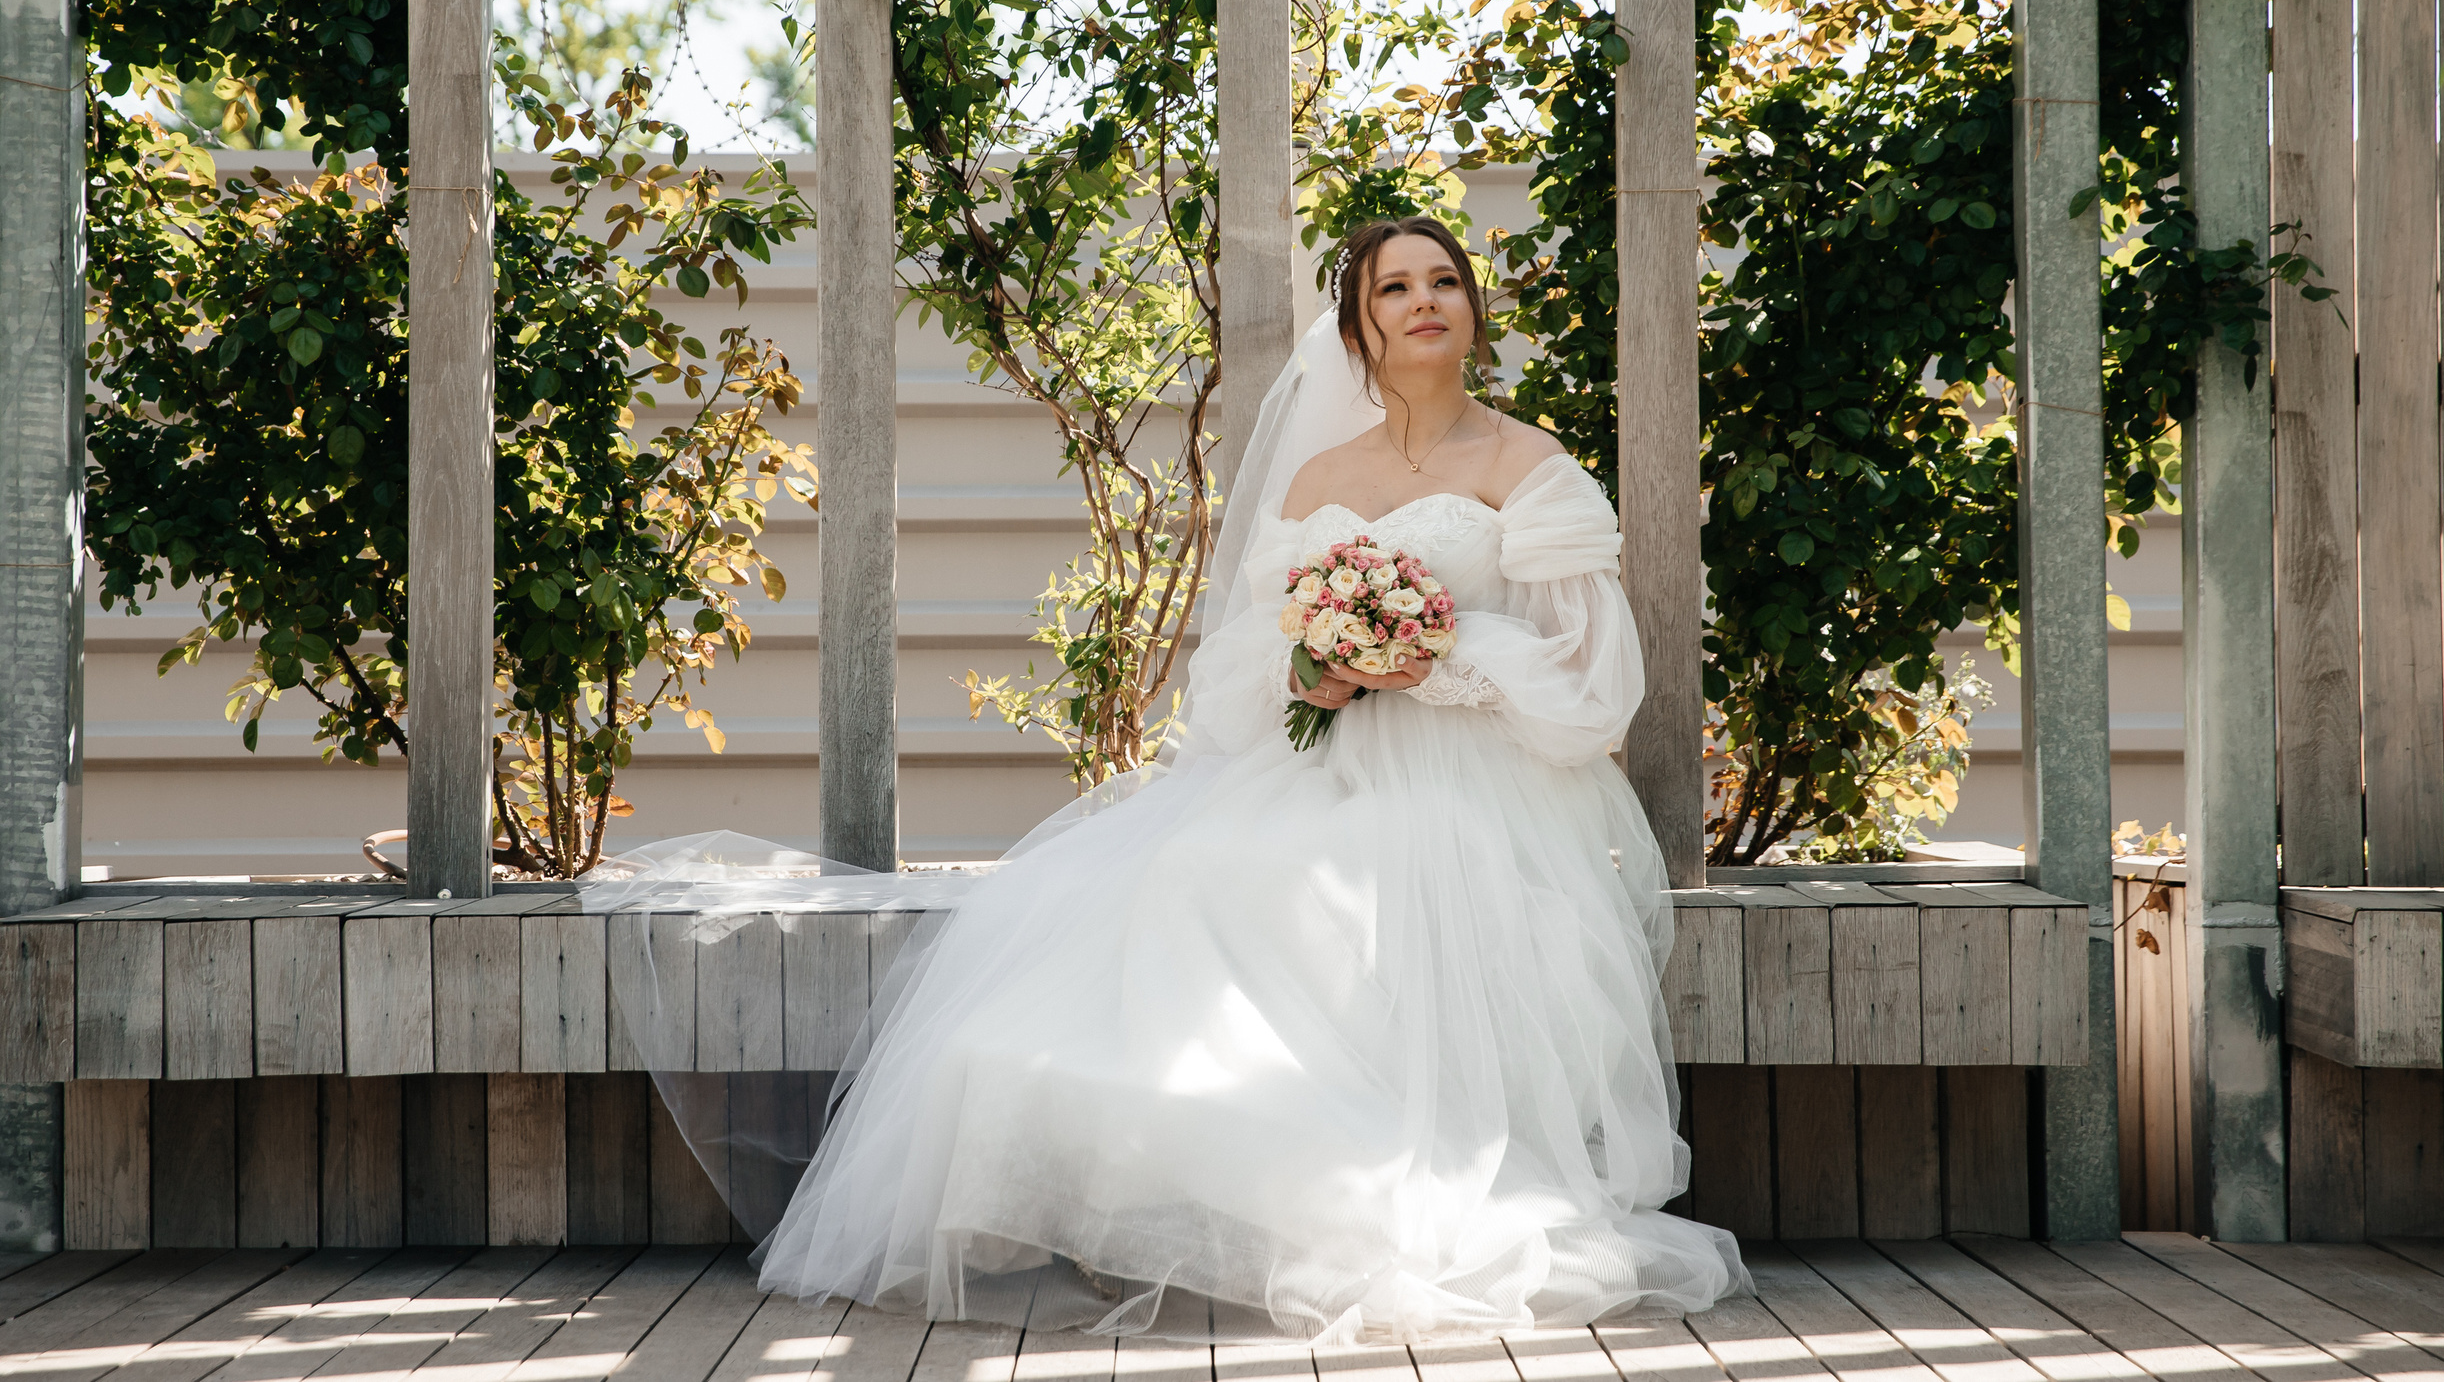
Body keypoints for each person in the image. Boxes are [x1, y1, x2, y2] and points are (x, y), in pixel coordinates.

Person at [593, 215, 1747, 1345]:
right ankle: (1166, 1195)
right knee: (1196, 869)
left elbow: (1589, 674)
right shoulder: (1321, 474)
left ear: (1472, 308)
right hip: (1327, 764)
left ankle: (1342, 1201)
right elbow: (1247, 660)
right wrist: (1316, 665)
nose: (1423, 303)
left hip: (1474, 780)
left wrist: (1431, 659)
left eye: (1441, 280)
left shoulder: (1525, 463)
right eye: (1393, 288)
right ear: (1358, 325)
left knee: (1353, 898)